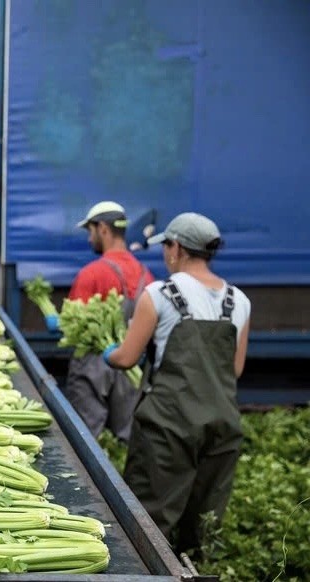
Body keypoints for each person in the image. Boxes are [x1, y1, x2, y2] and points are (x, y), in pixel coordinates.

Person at [104, 212, 250, 556]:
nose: (165, 253)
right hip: (221, 427)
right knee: (201, 525)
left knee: (148, 524)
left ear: (178, 248)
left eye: (166, 245)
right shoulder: (238, 300)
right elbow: (235, 370)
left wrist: (108, 354)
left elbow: (126, 358)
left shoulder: (160, 294)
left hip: (168, 427)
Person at [50, 201, 153, 442]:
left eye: (90, 231)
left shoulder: (92, 273)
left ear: (104, 229)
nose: (89, 239)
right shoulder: (146, 276)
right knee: (129, 440)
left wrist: (57, 322)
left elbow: (69, 324)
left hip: (91, 369)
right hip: (131, 367)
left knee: (86, 440)